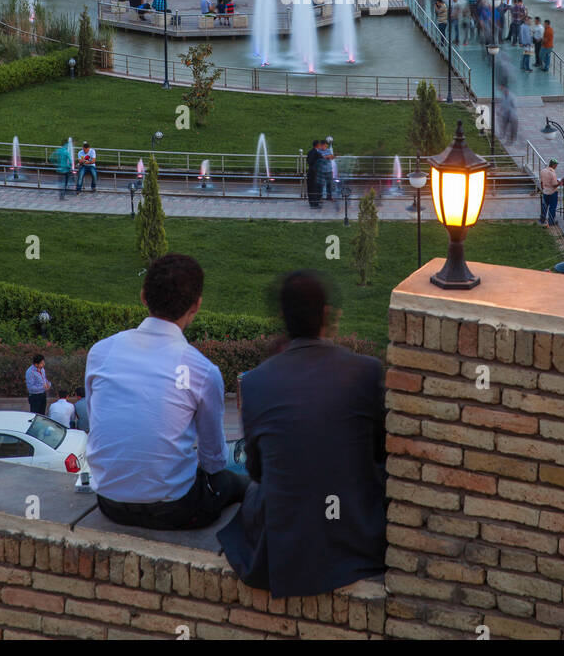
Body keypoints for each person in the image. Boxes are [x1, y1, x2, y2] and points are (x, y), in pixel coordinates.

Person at [218, 270, 385, 598]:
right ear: (326, 314)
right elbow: (379, 453)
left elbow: (258, 471)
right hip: (357, 537)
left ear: (282, 317)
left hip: (286, 550)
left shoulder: (255, 383)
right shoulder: (366, 371)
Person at [86, 254, 249, 530]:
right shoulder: (202, 371)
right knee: (237, 483)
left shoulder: (101, 352)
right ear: (196, 305)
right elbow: (214, 461)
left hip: (109, 502)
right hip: (175, 511)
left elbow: (100, 423)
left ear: (143, 297)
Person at [540, 160, 560, 226]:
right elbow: (554, 185)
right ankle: (551, 222)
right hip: (552, 192)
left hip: (545, 191)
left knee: (544, 207)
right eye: (556, 165)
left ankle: (542, 220)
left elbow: (541, 182)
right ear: (554, 165)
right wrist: (559, 183)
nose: (556, 167)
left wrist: (543, 189)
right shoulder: (552, 173)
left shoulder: (543, 171)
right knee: (552, 207)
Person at [306, 139, 323, 208]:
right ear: (317, 145)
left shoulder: (310, 152)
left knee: (310, 188)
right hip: (315, 173)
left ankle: (311, 202)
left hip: (310, 172)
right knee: (315, 188)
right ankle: (315, 203)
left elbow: (308, 161)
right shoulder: (317, 153)